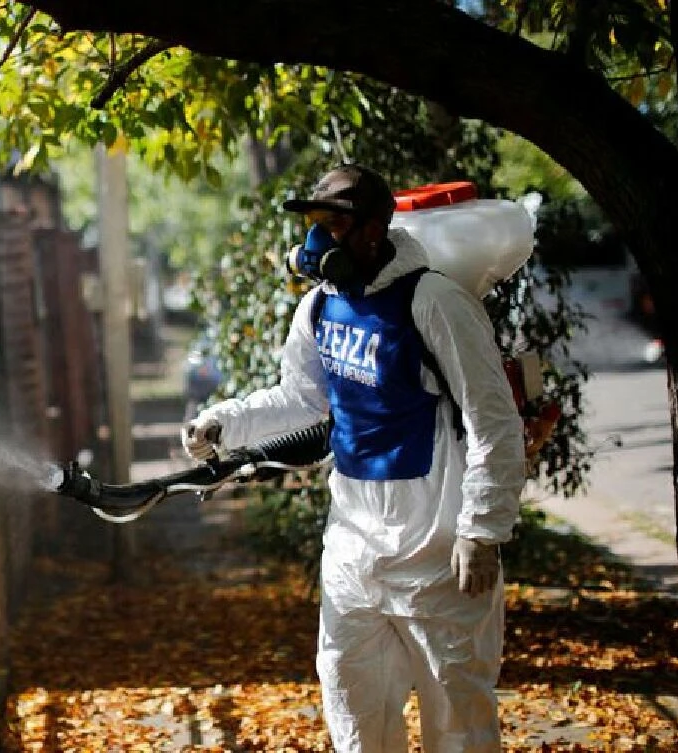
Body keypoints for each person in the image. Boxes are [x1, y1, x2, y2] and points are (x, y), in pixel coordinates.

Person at [181, 163, 526, 752]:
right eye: (315, 222)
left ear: (374, 229)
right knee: (352, 709)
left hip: (435, 552)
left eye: (334, 224)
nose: (318, 239)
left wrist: (482, 529)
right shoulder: (319, 307)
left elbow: (493, 418)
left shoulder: (435, 301)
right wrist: (227, 422)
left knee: (457, 721)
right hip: (354, 548)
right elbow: (300, 395)